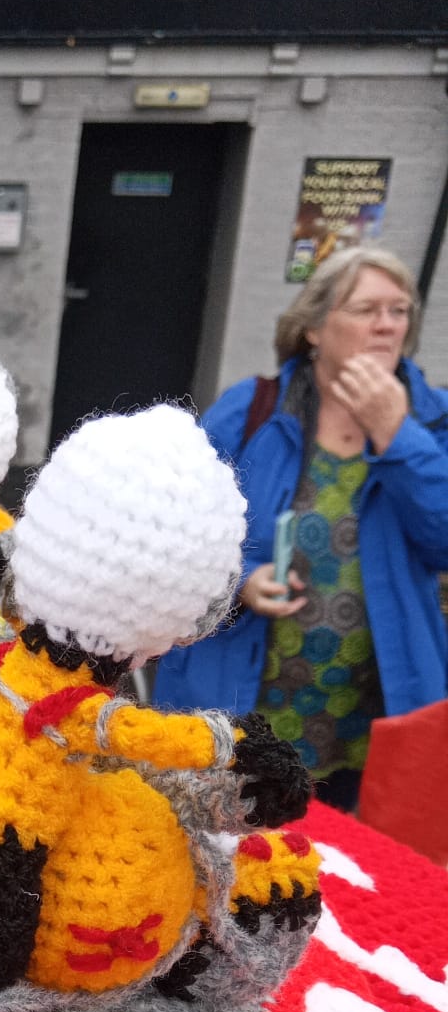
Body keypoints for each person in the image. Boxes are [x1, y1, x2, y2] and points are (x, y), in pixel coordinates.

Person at [153, 247, 448, 810]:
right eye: (366, 309)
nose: (387, 325)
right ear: (314, 327)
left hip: (369, 717)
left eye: (399, 310)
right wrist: (239, 580)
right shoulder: (255, 409)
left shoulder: (433, 421)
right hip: (243, 696)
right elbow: (178, 529)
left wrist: (398, 435)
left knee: (339, 875)